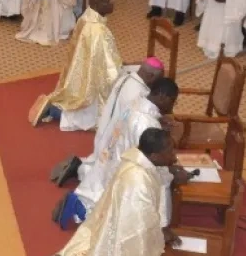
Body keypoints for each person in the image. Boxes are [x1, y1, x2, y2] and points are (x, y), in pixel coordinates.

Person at [38, 128, 189, 256]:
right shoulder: (138, 182)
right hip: (124, 235)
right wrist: (161, 233)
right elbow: (141, 226)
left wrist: (171, 174)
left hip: (114, 225)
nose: (174, 156)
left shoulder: (137, 161)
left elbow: (156, 178)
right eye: (170, 151)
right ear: (155, 156)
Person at [62, 77, 180, 222]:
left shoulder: (136, 102)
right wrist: (172, 174)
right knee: (162, 184)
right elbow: (153, 161)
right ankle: (80, 209)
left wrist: (158, 121)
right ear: (162, 96)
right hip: (125, 169)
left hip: (111, 158)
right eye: (173, 101)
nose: (173, 106)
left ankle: (79, 200)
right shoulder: (147, 124)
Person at [29, 0, 120, 131]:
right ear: (98, 6)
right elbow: (109, 70)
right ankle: (53, 110)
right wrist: (122, 74)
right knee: (95, 117)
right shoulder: (99, 31)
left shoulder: (85, 17)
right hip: (91, 82)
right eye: (109, 0)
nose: (113, 2)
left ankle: (54, 105)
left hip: (80, 74)